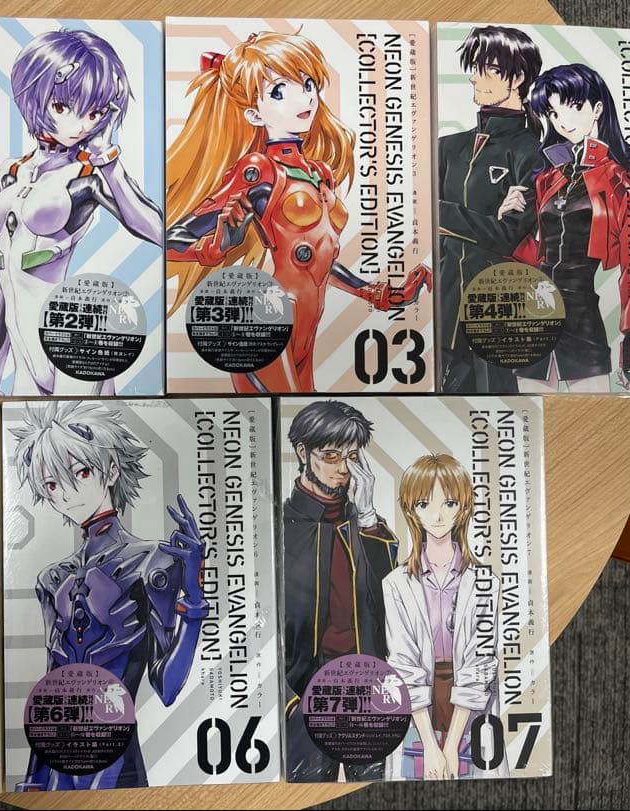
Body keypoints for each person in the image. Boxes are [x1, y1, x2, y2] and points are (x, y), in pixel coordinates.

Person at [165, 31, 431, 392]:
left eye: (308, 85)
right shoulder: (259, 170)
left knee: (303, 414)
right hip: (268, 321)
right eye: (278, 91)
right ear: (254, 114)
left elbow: (317, 259)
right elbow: (173, 238)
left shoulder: (319, 172)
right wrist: (214, 247)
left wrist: (377, 293)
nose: (304, 97)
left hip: (307, 327)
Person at [9, 401, 208, 790]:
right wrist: (33, 778)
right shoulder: (52, 578)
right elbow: (52, 688)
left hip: (117, 768)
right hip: (58, 767)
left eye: (81, 472)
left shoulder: (153, 562)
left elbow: (167, 686)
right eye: (52, 485)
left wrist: (195, 600)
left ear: (111, 470)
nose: (68, 493)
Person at [440, 62, 630, 391]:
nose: (563, 121)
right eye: (553, 113)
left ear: (597, 109)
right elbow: (536, 253)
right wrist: (503, 218)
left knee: (593, 414)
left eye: (573, 107)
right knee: (530, 413)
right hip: (533, 314)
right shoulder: (549, 178)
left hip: (582, 317)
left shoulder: (623, 185)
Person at [0, 29, 163, 396]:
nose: (81, 125)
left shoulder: (87, 176)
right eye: (63, 107)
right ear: (35, 95)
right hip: (25, 356)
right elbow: (3, 282)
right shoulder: (10, 171)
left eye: (94, 112)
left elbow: (160, 232)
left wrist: (109, 164)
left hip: (75, 346)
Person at [281, 400, 398, 781]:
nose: (344, 469)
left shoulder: (364, 524)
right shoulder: (280, 527)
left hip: (368, 688)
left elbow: (390, 601)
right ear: (303, 453)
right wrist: (291, 700)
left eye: (352, 456)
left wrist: (367, 518)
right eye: (331, 455)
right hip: (305, 697)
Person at [382, 454, 506, 780]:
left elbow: (480, 662)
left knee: (476, 776)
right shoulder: (396, 584)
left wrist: (449, 747)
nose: (437, 516)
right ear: (411, 510)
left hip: (470, 700)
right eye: (424, 504)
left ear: (463, 508)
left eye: (449, 503)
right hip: (417, 704)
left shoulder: (484, 582)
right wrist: (430, 746)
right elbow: (403, 662)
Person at [436, 26, 543, 393]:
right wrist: (485, 222)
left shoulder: (533, 153)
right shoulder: (447, 148)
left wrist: (440, 213)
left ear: (518, 78)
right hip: (442, 309)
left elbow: (506, 236)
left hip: (497, 309)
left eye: (489, 69)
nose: (475, 78)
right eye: (474, 68)